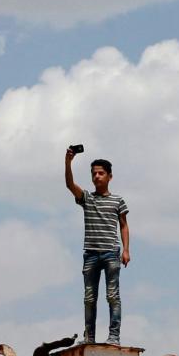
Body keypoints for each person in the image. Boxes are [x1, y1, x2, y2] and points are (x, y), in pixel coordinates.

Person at [64, 147, 130, 345]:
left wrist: (126, 250)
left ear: (109, 176)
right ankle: (89, 338)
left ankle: (114, 337)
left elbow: (124, 225)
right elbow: (69, 184)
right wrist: (68, 162)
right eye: (94, 173)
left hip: (111, 252)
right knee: (89, 298)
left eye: (101, 173)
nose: (97, 176)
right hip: (91, 254)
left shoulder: (118, 200)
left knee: (112, 296)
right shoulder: (87, 198)